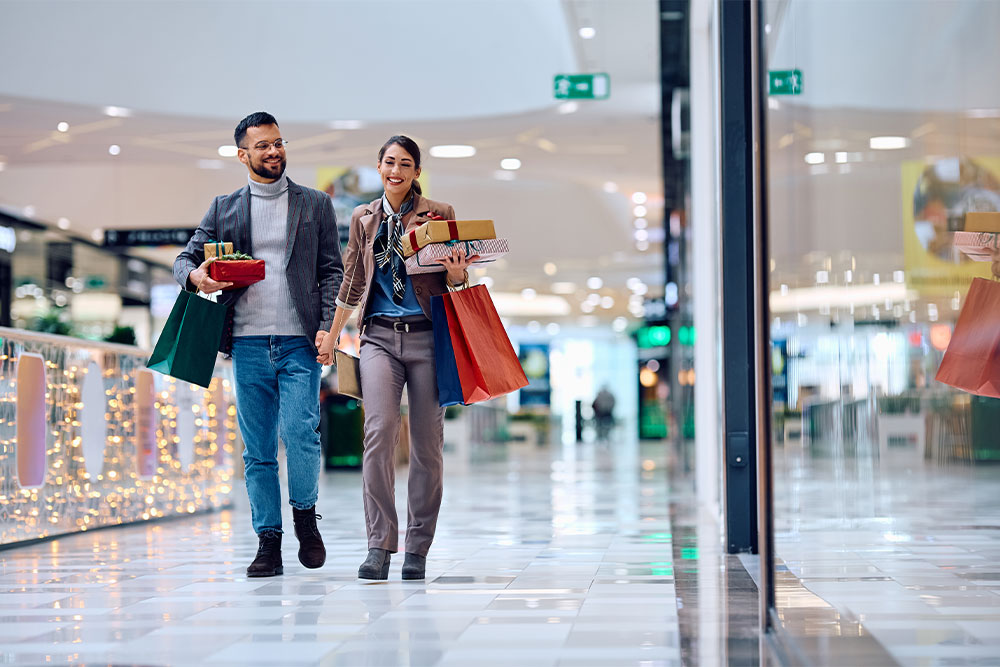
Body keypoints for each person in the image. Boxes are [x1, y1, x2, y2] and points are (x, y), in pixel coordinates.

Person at [174, 112, 343, 577]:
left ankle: (306, 519)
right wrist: (193, 275)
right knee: (258, 450)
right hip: (245, 343)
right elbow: (187, 255)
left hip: (299, 343)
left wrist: (329, 326)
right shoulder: (224, 207)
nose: (274, 152)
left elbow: (332, 271)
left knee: (301, 434)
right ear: (242, 155)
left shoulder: (314, 205)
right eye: (263, 146)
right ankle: (268, 541)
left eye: (278, 143)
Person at [316, 135, 477, 580]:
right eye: (389, 162)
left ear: (416, 172)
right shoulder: (363, 217)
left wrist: (457, 269)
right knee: (379, 432)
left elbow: (457, 278)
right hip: (379, 339)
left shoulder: (439, 213)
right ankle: (378, 544)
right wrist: (331, 337)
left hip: (429, 338)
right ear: (380, 167)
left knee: (427, 446)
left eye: (405, 163)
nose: (396, 170)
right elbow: (352, 280)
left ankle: (417, 547)